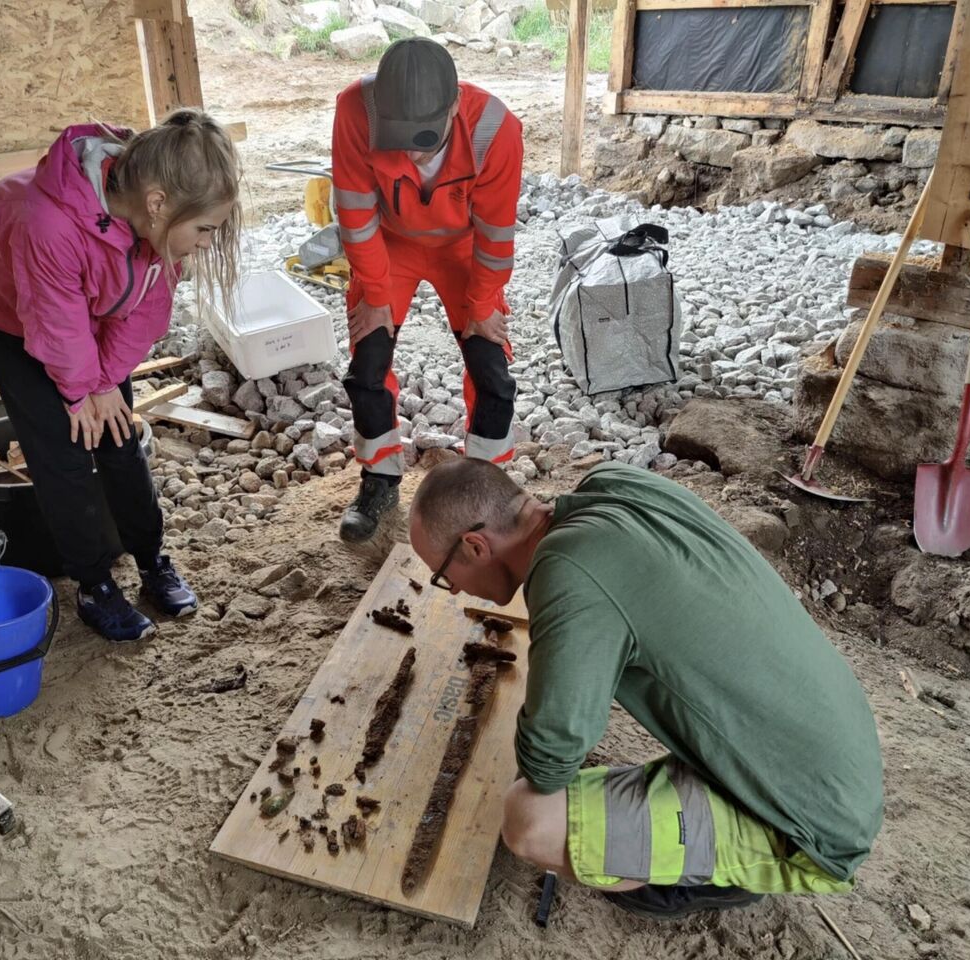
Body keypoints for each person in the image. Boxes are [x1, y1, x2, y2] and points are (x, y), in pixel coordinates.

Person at [409, 459, 884, 919]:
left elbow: (551, 759)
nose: (451, 590)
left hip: (813, 824)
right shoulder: (613, 485)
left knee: (529, 817)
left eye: (444, 575)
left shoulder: (568, 571)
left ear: (474, 545)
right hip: (831, 754)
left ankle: (708, 877)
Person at [0, 109, 243, 642]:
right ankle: (93, 585)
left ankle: (151, 558)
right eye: (204, 229)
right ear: (158, 203)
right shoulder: (48, 223)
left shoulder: (161, 222)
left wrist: (105, 383)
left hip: (80, 293)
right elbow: (54, 322)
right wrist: (81, 391)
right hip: (5, 301)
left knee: (118, 432)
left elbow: (146, 312)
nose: (205, 242)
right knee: (62, 446)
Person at [331, 38, 523, 542]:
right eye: (402, 138)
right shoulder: (356, 110)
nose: (413, 153)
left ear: (455, 102)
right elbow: (355, 213)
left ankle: (486, 489)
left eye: (425, 138)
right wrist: (374, 294)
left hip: (463, 249)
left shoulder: (494, 129)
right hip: (389, 247)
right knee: (367, 363)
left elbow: (497, 234)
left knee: (492, 370)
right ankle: (380, 478)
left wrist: (482, 305)